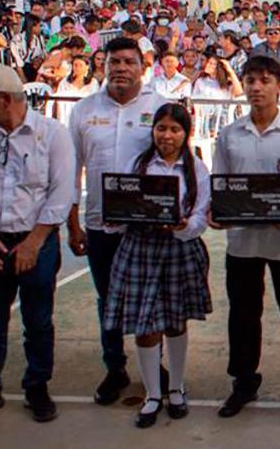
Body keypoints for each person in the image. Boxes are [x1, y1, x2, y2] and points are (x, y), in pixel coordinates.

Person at [0, 64, 75, 429]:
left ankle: (37, 384)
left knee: (38, 320)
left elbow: (61, 191)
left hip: (36, 240)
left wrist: (34, 243)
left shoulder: (52, 134)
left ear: (6, 99)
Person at [210, 56, 280, 421]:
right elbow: (222, 187)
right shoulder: (229, 135)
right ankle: (244, 381)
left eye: (264, 80)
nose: (256, 87)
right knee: (243, 316)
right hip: (242, 243)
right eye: (250, 80)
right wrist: (219, 215)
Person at [66, 36, 170, 406]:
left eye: (129, 61)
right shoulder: (82, 111)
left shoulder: (162, 107)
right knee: (106, 298)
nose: (121, 68)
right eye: (114, 62)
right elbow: (71, 169)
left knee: (149, 299)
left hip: (147, 226)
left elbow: (174, 164)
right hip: (99, 224)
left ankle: (154, 368)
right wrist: (73, 221)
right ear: (103, 66)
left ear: (143, 66)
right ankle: (115, 368)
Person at [103, 103, 212, 428]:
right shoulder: (137, 164)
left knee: (176, 321)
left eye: (174, 129)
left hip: (179, 250)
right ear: (153, 131)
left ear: (186, 133)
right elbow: (118, 210)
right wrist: (117, 217)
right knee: (145, 325)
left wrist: (184, 226)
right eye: (161, 128)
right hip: (140, 248)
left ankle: (176, 388)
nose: (167, 135)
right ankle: (153, 394)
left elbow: (201, 214)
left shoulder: (196, 170)